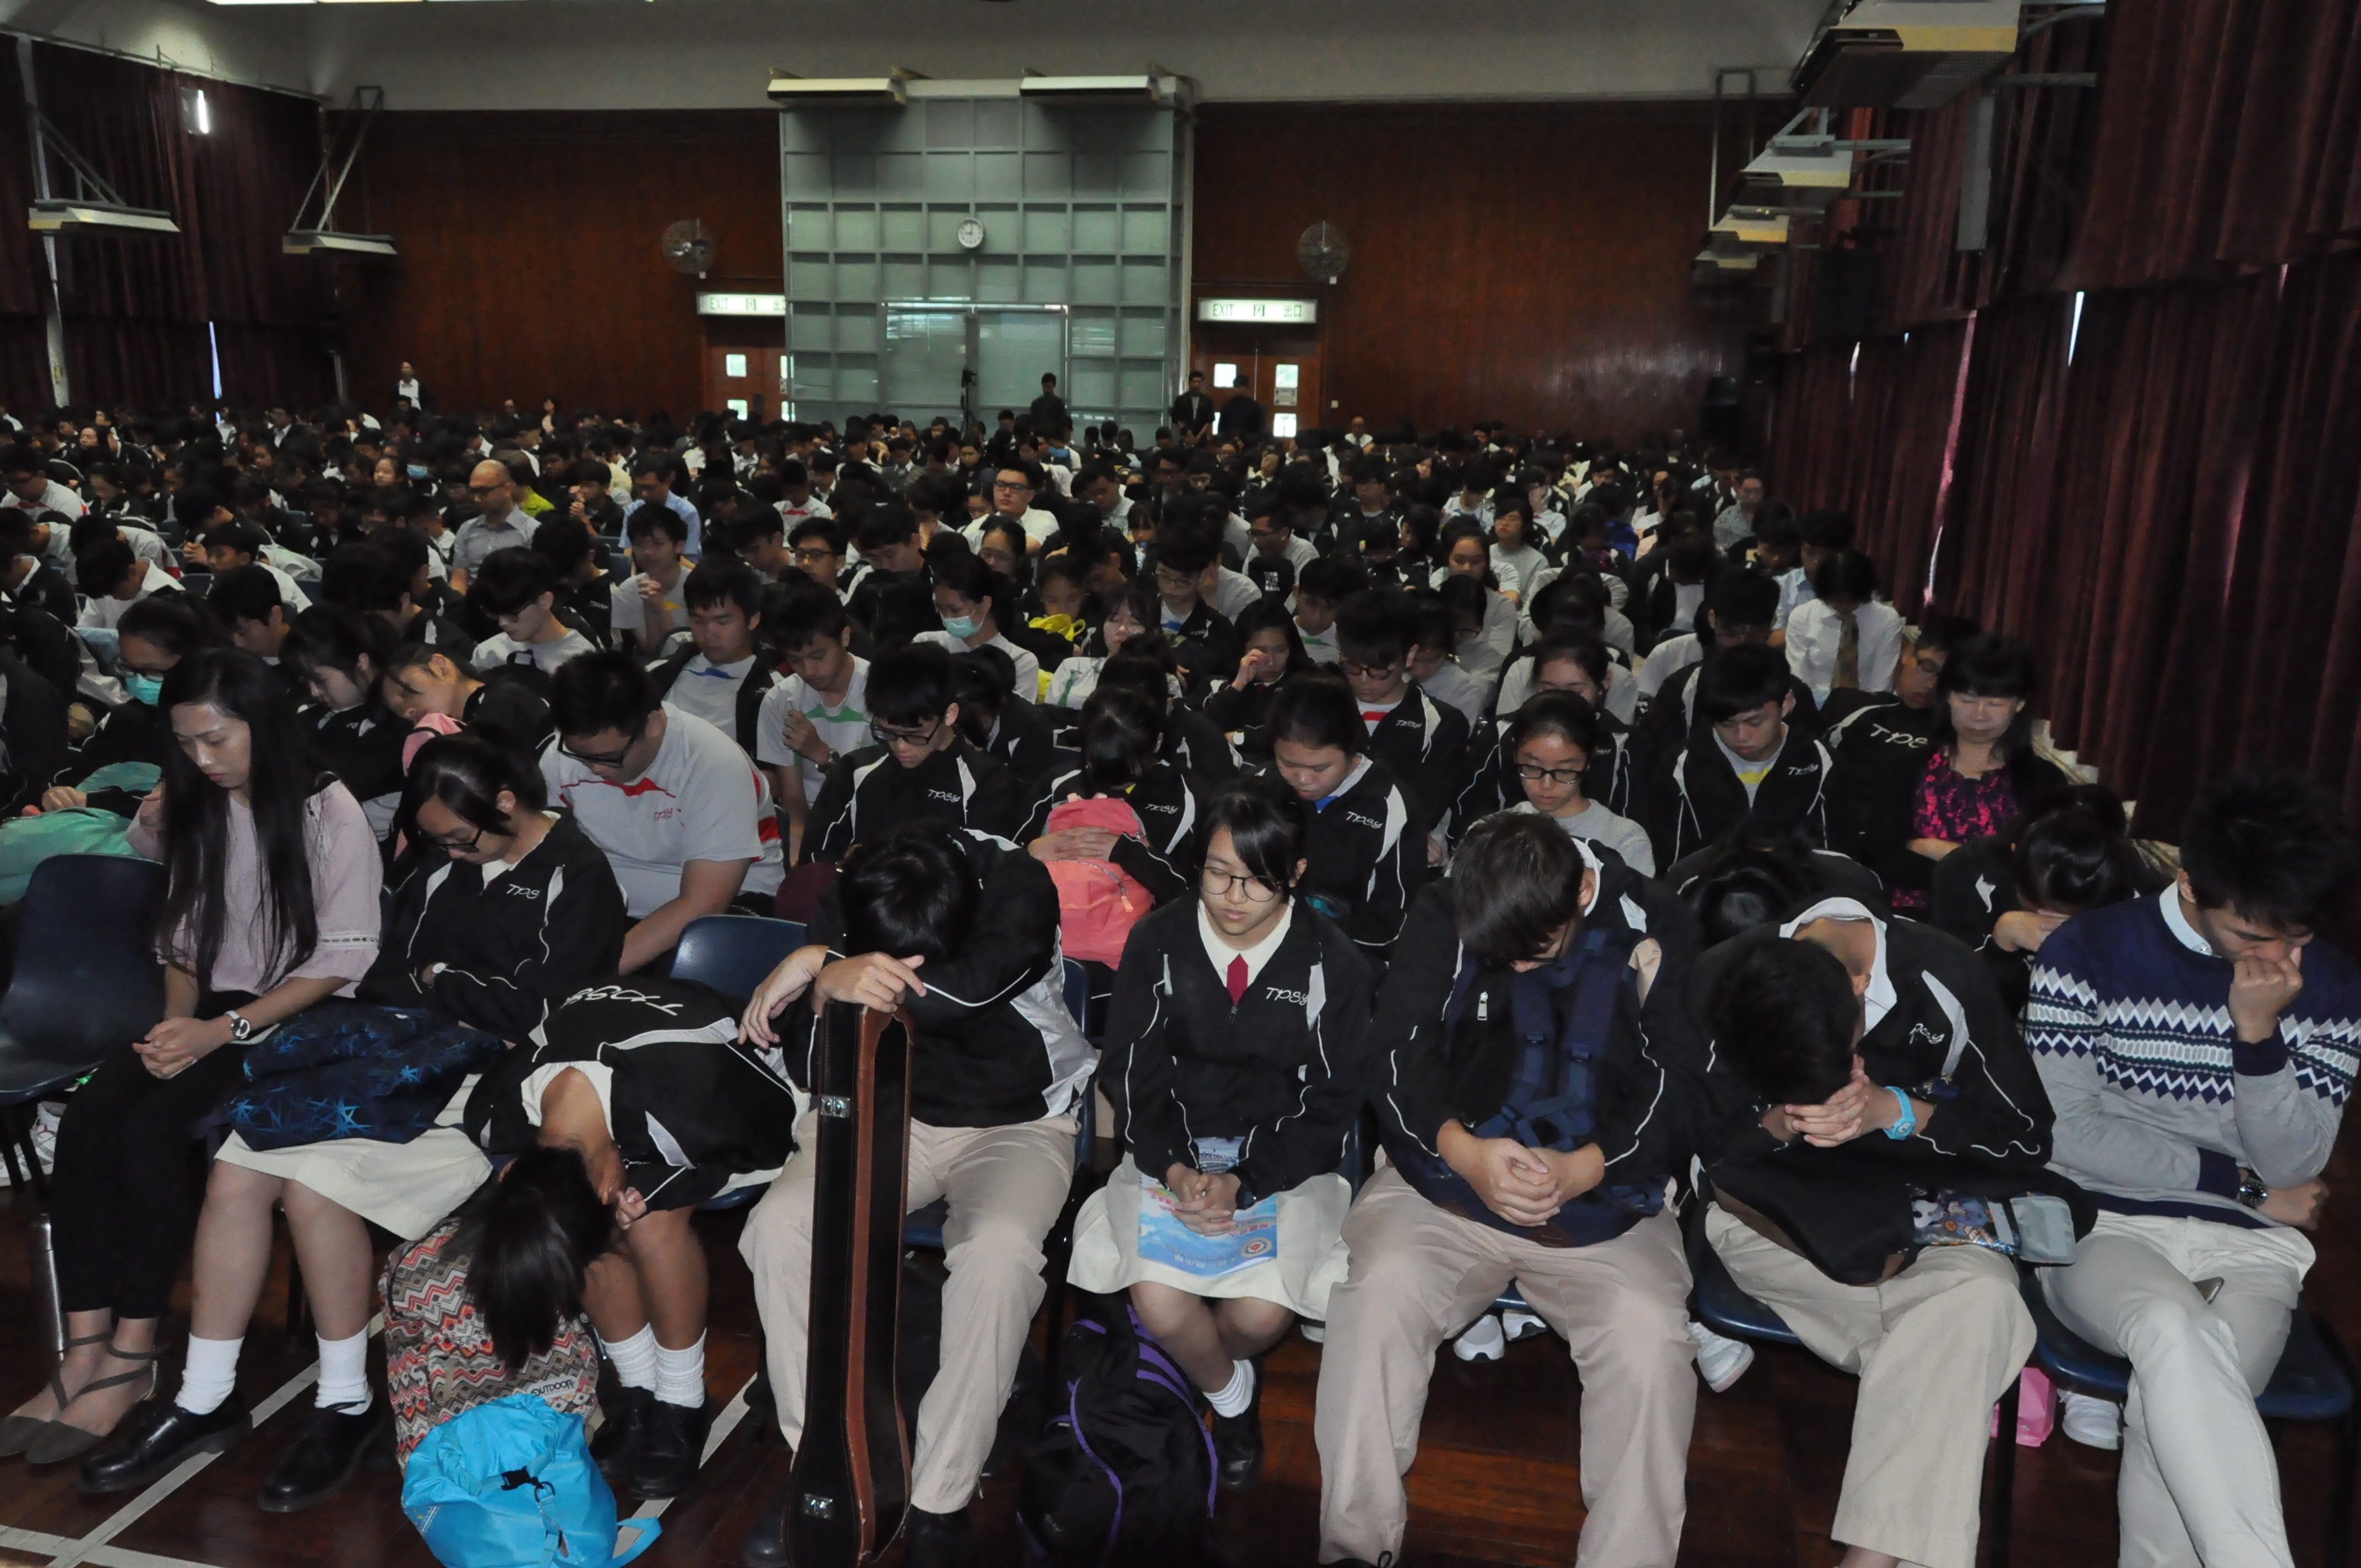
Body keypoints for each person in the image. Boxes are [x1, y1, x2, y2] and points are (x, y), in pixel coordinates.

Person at [84, 737, 626, 1506]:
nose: (448, 854)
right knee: (237, 1168)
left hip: (489, 1085)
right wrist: (447, 986)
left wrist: (439, 979)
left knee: (315, 1191)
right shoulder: (438, 865)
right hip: (393, 1063)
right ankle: (204, 1395)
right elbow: (381, 969)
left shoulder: (578, 873)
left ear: (506, 802)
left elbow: (542, 1012)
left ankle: (344, 1402)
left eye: (460, 838)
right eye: (437, 841)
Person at [12, 651, 381, 1468]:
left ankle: (135, 1354)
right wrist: (176, 1029)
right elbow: (182, 938)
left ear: (263, 723)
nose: (202, 759)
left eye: (216, 740)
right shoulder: (197, 801)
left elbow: (340, 961)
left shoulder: (328, 808)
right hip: (211, 1011)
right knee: (90, 1121)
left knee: (154, 1137)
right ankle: (85, 1349)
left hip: (297, 1017)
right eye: (185, 744)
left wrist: (219, 1034)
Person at [1318, 812, 1696, 1568]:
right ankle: (1354, 1549)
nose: (1520, 967)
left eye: (1537, 951)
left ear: (1582, 891)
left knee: (1649, 1340)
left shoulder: (1657, 918)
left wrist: (1587, 1166)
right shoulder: (1448, 903)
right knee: (1375, 1301)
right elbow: (1393, 1053)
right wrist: (1464, 1152)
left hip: (1603, 1197)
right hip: (1446, 1183)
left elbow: (1681, 1084)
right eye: (1502, 954)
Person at [736, 823, 1092, 1568]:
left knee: (998, 1257)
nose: (903, 971)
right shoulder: (860, 885)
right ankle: (820, 1467)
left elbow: (957, 998)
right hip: (883, 1109)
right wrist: (827, 984)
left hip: (1016, 1119)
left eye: (921, 958)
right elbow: (812, 1058)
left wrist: (822, 964)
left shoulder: (1017, 883)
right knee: (779, 1228)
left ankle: (941, 1495)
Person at [2027, 772, 2359, 1546]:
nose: (2278, 958)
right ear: (2187, 884)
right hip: (2099, 1222)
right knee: (2172, 1327)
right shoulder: (2088, 951)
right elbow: (2068, 1134)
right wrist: (2238, 1184)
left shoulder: (2335, 987)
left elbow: (2294, 1163)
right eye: (2251, 935)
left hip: (2251, 1250)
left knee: (2177, 1404)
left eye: (2297, 936)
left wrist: (2258, 1037)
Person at [1694, 906, 2058, 1568]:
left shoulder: (1946, 975)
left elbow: (2027, 1139)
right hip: (1773, 1225)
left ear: (1861, 985)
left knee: (1977, 1306)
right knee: (1971, 1328)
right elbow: (1697, 1150)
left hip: (1921, 1225)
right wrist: (1782, 1122)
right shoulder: (1724, 977)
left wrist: (1897, 1110)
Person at [1076, 776, 1369, 1489]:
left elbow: (1332, 1098)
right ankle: (1232, 1399)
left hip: (1283, 1163)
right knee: (1160, 1301)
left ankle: (1202, 1376)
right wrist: (1177, 1169)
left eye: (1257, 880)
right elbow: (1132, 1072)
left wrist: (1248, 1179)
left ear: (1295, 874)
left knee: (1261, 1315)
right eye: (1216, 873)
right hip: (1171, 1151)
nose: (1233, 898)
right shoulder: (1160, 939)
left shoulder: (1332, 961)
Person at [467, 976, 795, 1500]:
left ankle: (682, 1401)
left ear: (607, 1186)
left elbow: (775, 1133)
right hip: (623, 1094)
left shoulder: (693, 1105)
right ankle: (638, 1387)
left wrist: (646, 1185)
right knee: (559, 1220)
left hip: (748, 1092)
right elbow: (524, 1177)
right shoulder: (494, 1109)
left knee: (648, 1223)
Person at [542, 648, 783, 972]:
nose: (596, 769)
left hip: (723, 909)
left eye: (610, 757)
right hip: (609, 900)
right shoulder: (561, 758)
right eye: (581, 755)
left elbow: (704, 903)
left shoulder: (714, 764)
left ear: (652, 724)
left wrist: (595, 974)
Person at [380, 1146, 605, 1469]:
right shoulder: (559, 1256)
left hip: (475, 1428)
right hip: (509, 1424)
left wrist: (419, 1466)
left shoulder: (414, 1265)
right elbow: (575, 1373)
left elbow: (409, 1380)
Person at [1837, 633, 2065, 913]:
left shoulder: (2044, 783)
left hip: (1999, 926)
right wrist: (1984, 868)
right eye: (1967, 700)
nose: (1980, 715)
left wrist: (1935, 848)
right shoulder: (1906, 768)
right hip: (1906, 919)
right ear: (1947, 697)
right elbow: (1883, 859)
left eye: (1995, 703)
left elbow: (2036, 876)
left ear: (2020, 703)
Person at [1930, 783, 2166, 1013]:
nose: (2048, 918)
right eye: (2039, 906)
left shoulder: (2145, 899)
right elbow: (1956, 1002)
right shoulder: (1966, 870)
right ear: (2017, 851)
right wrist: (2002, 945)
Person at [802, 642, 1027, 864]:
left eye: (915, 735)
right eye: (888, 733)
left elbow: (988, 871)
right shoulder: (855, 771)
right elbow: (814, 863)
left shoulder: (987, 783)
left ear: (950, 714)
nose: (901, 747)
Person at [1264, 674, 1417, 962]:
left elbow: (1393, 922)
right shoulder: (1262, 789)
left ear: (1350, 749)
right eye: (1288, 763)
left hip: (1349, 957)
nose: (1303, 779)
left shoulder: (1389, 805)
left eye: (1320, 768)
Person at [1643, 642, 1835, 868]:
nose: (1742, 736)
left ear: (1786, 704)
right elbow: (1672, 869)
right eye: (1726, 724)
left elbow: (1836, 865)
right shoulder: (1680, 769)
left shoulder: (1822, 764)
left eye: (1756, 722)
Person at [1332, 591, 1469, 841]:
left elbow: (1423, 810)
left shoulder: (1443, 724)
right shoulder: (1320, 704)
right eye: (1351, 666)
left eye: (1378, 670)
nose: (1364, 680)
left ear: (1409, 656)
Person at [753, 587, 869, 865]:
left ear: (845, 637)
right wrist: (799, 865)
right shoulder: (781, 701)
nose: (808, 671)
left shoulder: (879, 689)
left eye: (818, 656)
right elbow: (795, 807)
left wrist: (823, 756)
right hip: (816, 828)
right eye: (795, 660)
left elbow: (887, 792)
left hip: (872, 822)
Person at [281, 605, 410, 841]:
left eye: (321, 681)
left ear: (361, 662)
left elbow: (338, 785)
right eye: (308, 681)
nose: (314, 692)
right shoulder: (309, 710)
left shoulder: (398, 719)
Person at [1500, 691, 1656, 875]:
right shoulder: (1493, 833)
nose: (1547, 785)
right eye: (1532, 768)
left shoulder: (1625, 840)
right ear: (1515, 751)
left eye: (1565, 771)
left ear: (1589, 759)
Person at [643, 561, 781, 755]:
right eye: (698, 621)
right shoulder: (657, 674)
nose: (709, 633)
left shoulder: (775, 692)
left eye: (722, 622)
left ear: (753, 619)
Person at [380, 641, 554, 759]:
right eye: (399, 710)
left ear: (439, 666)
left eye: (405, 692)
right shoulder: (459, 731)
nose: (408, 711)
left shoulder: (505, 699)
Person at [915, 550, 1041, 704]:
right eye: (941, 609)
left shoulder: (1021, 662)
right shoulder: (926, 644)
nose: (947, 617)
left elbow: (1016, 716)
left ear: (985, 604)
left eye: (955, 610)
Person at [1783, 551, 1904, 705]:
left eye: (1852, 600)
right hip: (1813, 704)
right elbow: (1799, 677)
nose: (1844, 606)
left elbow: (1882, 681)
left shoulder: (1887, 620)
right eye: (1837, 599)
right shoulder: (1802, 616)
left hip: (1866, 705)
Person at [468, 547, 597, 676]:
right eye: (495, 614)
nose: (503, 623)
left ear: (545, 601)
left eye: (513, 614)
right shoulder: (488, 652)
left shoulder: (582, 661)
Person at [610, 506, 692, 657]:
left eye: (658, 543)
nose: (648, 552)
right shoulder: (629, 590)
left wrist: (661, 607)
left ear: (678, 546)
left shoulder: (698, 585)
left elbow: (684, 653)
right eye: (639, 545)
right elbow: (653, 653)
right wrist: (651, 606)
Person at [449, 460, 534, 592]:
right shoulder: (467, 529)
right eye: (473, 492)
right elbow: (459, 580)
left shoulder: (531, 531)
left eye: (484, 492)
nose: (477, 499)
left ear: (508, 489)